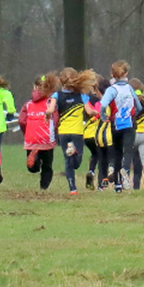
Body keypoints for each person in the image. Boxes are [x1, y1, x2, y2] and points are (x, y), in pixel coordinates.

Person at [46, 67, 98, 195]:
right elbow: (89, 111)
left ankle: (72, 189)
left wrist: (47, 115)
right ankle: (74, 152)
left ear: (60, 80)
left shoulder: (56, 95)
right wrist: (98, 113)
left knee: (67, 161)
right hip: (77, 132)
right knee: (76, 162)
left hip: (63, 133)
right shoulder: (82, 96)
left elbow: (50, 110)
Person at [100, 60, 142, 193]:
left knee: (117, 152)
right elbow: (139, 106)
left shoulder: (112, 90)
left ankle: (118, 184)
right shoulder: (129, 88)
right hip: (129, 124)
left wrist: (103, 116)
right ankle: (125, 169)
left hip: (115, 125)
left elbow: (103, 104)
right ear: (126, 74)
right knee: (128, 150)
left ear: (112, 75)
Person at [18, 73, 60, 190]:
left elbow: (21, 121)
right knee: (47, 166)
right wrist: (55, 130)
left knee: (33, 168)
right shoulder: (51, 103)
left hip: (31, 138)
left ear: (34, 87)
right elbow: (55, 119)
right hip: (46, 138)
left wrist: (26, 133)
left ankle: (34, 156)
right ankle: (43, 188)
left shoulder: (28, 104)